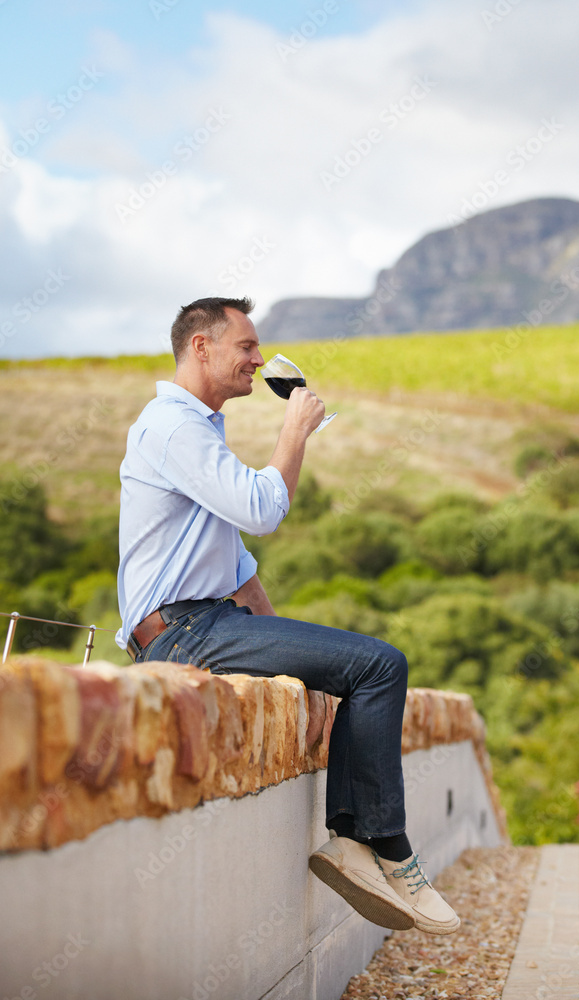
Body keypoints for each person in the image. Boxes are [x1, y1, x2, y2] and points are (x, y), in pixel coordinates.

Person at [116, 296, 459, 935]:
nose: (256, 359)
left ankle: (362, 845)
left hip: (207, 627)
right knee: (382, 665)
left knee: (361, 669)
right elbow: (262, 510)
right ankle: (385, 850)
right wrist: (295, 430)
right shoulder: (170, 426)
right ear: (201, 347)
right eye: (246, 346)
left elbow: (237, 565)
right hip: (187, 634)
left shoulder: (197, 430)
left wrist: (298, 653)